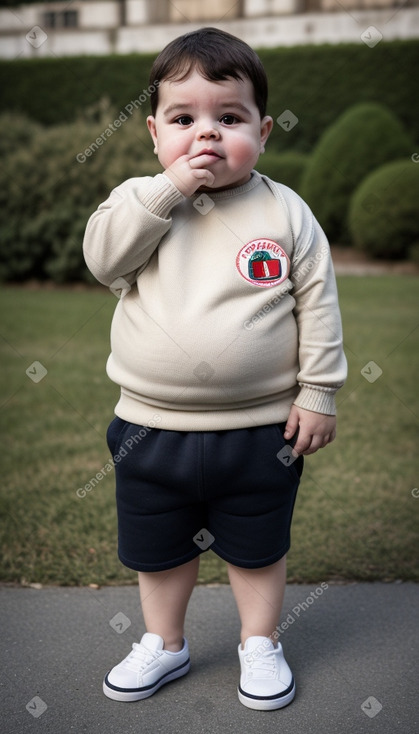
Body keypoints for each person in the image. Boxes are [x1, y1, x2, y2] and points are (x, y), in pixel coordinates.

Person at [83, 27, 347, 711]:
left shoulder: (283, 210)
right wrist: (164, 190)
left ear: (260, 131)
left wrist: (317, 392)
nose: (205, 135)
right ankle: (164, 644)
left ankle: (259, 641)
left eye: (227, 119)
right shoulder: (142, 201)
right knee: (158, 547)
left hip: (261, 430)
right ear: (152, 133)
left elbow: (317, 303)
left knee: (256, 546)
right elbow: (103, 259)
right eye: (183, 119)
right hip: (149, 429)